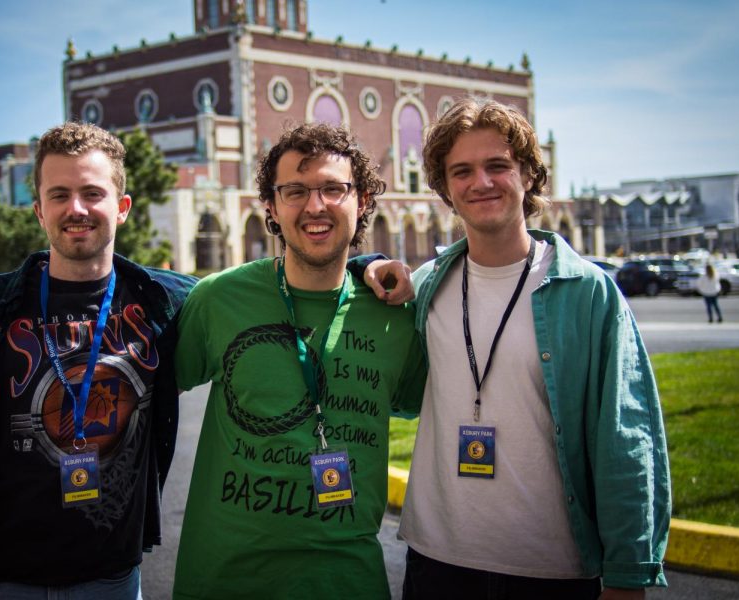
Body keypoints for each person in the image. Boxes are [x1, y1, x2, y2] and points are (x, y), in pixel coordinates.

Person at [364, 98, 671, 599]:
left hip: (551, 569)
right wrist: (369, 265)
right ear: (444, 188)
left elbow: (625, 437)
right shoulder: (427, 287)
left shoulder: (586, 292)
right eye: (461, 171)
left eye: (497, 166)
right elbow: (395, 389)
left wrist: (628, 573)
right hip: (436, 560)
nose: (480, 182)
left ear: (528, 174)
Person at [0, 122, 196, 599]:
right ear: (39, 209)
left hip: (115, 581)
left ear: (121, 208)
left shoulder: (160, 301)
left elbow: (266, 286)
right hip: (5, 582)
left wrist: (362, 263)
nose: (76, 209)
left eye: (92, 192)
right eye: (59, 195)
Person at [171, 123, 427, 599]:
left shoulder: (398, 314)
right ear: (269, 205)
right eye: (295, 191)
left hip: (348, 582)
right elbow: (150, 399)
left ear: (364, 199)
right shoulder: (218, 299)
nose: (315, 206)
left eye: (334, 188)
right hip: (225, 581)